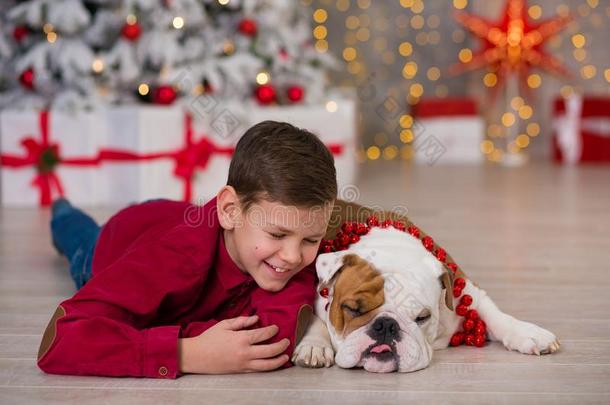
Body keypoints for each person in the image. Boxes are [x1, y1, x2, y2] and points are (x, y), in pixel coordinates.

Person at [37, 121, 337, 379]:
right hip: (119, 240)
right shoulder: (169, 258)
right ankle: (62, 210)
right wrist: (188, 353)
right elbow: (61, 340)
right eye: (277, 234)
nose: (293, 256)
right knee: (78, 235)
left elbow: (276, 338)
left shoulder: (289, 249)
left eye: (311, 240)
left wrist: (214, 343)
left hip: (185, 216)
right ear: (231, 211)